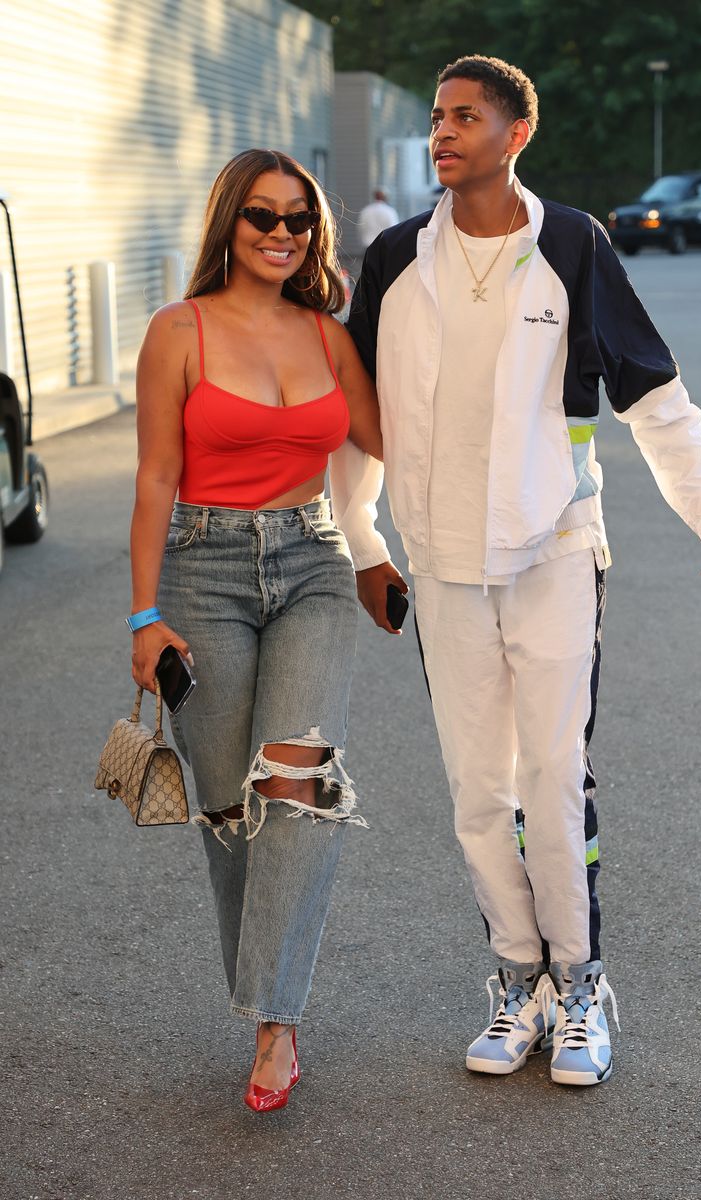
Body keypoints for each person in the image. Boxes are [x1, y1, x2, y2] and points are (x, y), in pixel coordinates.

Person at [332, 56, 701, 1088]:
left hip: (556, 553)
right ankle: (515, 979)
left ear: (516, 132)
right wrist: (365, 544)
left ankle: (581, 985)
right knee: (478, 792)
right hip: (443, 571)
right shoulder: (393, 261)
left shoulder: (570, 245)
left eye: (464, 116)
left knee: (551, 782)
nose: (442, 132)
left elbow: (652, 396)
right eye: (436, 116)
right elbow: (356, 422)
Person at [129, 148, 382, 1113]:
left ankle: (276, 1021)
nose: (282, 235)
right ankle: (271, 992)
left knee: (296, 779)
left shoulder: (327, 336)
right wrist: (144, 615)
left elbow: (389, 434)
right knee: (232, 802)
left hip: (313, 566)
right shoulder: (178, 331)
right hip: (201, 571)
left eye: (298, 221)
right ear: (229, 226)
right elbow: (156, 476)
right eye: (262, 219)